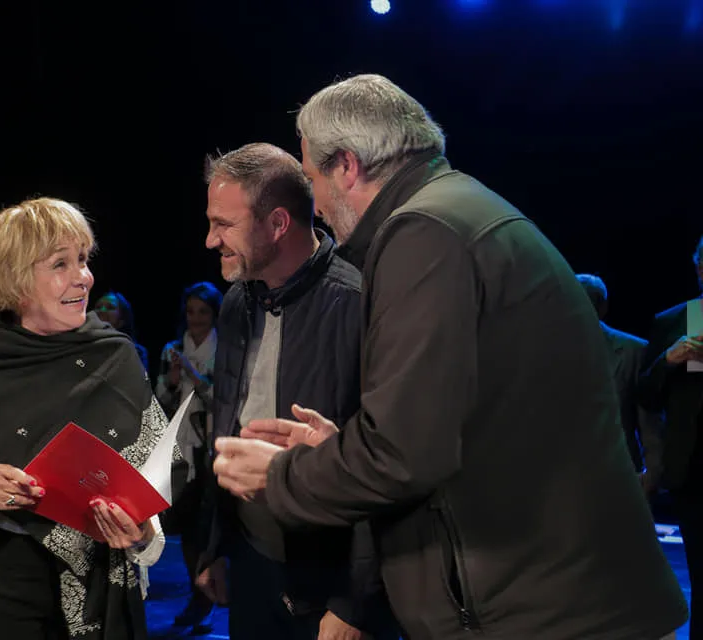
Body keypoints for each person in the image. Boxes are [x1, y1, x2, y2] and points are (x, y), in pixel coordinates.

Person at [212, 74, 687, 639]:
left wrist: (282, 475)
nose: (314, 206)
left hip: (545, 610)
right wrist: (338, 449)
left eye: (312, 177)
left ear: (347, 166)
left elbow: (403, 454)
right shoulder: (460, 210)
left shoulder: (422, 234)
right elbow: (460, 424)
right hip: (568, 595)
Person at [0, 197, 169, 639]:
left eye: (83, 259)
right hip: (5, 580)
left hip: (103, 582)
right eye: (60, 264)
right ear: (14, 279)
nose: (83, 277)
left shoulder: (114, 355)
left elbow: (154, 476)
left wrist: (140, 530)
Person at [198, 143, 395, 640]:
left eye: (224, 225)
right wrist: (214, 546)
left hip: (330, 586)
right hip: (250, 564)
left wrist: (357, 603)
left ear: (278, 224)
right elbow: (226, 424)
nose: (210, 240)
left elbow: (391, 467)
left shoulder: (358, 304)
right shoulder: (236, 302)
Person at [639, 235, 703, 639]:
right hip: (694, 469)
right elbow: (645, 395)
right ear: (698, 268)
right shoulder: (674, 321)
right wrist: (668, 359)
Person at [154, 280, 222, 630]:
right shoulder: (173, 349)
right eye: (191, 311)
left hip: (211, 447)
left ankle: (205, 599)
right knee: (185, 526)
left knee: (205, 526)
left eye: (203, 312)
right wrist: (171, 380)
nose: (196, 318)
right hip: (180, 449)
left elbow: (221, 400)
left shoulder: (225, 349)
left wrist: (195, 377)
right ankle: (198, 595)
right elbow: (161, 401)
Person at [576, 273, 664, 492]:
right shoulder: (544, 350)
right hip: (560, 478)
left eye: (589, 301)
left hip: (619, 476)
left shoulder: (634, 351)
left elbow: (650, 420)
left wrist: (652, 474)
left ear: (602, 307)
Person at [92, 291, 149, 371]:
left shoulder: (136, 351)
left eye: (110, 307)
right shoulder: (81, 345)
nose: (102, 310)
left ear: (121, 321)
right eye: (98, 307)